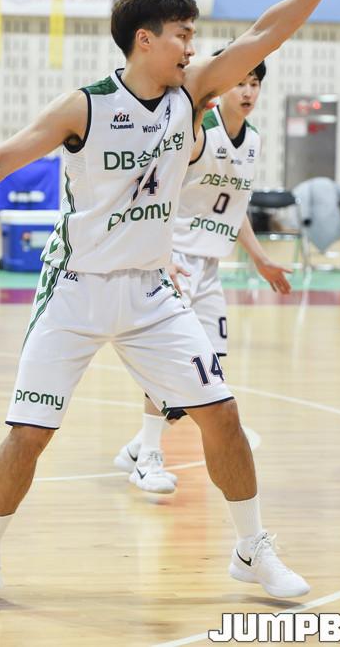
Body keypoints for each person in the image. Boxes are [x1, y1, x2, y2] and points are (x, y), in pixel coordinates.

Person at [0, 0, 340, 612]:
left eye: (193, 36)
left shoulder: (192, 94)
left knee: (222, 415)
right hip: (75, 289)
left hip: (149, 292)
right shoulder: (84, 107)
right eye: (182, 35)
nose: (192, 47)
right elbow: (1, 158)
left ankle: (251, 547)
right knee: (29, 434)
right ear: (146, 39)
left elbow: (266, 33)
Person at [115, 54, 293, 493]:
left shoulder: (253, 140)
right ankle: (148, 457)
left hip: (211, 266)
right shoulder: (197, 132)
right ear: (223, 85)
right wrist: (155, 251)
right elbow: (154, 189)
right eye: (240, 82)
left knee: (205, 372)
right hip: (175, 260)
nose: (247, 91)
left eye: (254, 83)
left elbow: (235, 208)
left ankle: (138, 446)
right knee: (172, 362)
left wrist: (259, 258)